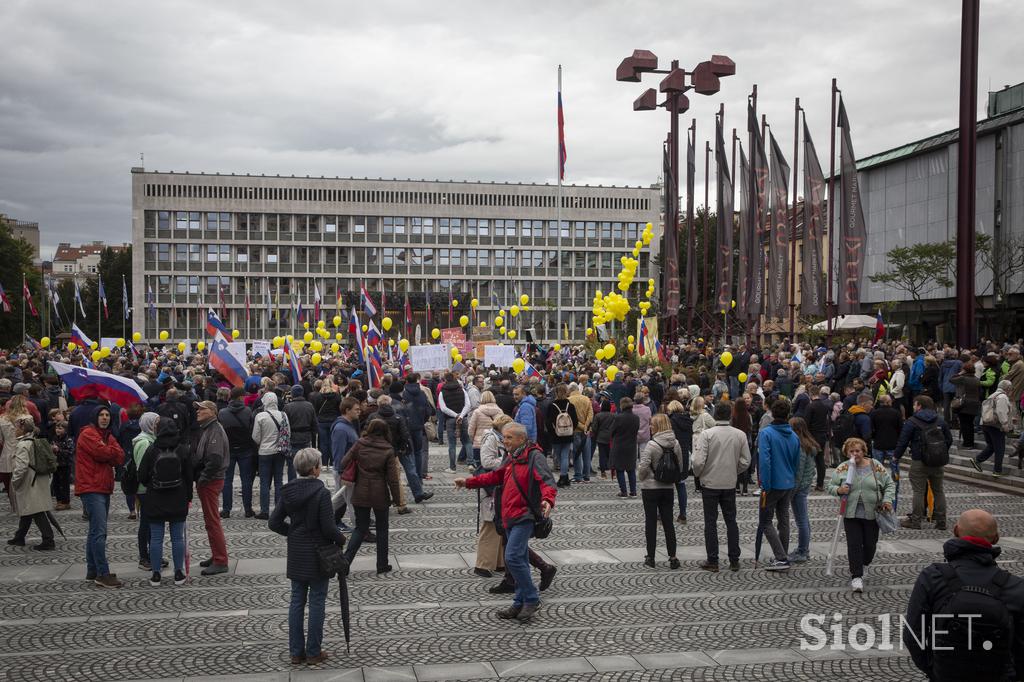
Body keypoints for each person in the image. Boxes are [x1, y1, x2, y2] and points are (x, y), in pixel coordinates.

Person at [904, 509, 1024, 681]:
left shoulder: (932, 577)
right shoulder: (1015, 586)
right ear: (996, 538)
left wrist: (934, 670)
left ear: (956, 531)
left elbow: (913, 635)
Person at [454, 422, 556, 623]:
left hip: (524, 515)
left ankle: (532, 598)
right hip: (508, 514)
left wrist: (547, 500)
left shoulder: (534, 456)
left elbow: (547, 482)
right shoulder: (512, 457)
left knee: (512, 557)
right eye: (504, 437)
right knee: (518, 559)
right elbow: (495, 476)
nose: (505, 441)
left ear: (521, 439)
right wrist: (468, 482)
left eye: (509, 438)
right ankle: (519, 602)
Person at [269, 447, 347, 666]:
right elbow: (329, 527)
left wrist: (292, 533)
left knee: (296, 601)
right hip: (318, 552)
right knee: (317, 601)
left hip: (297, 552)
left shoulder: (287, 491)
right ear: (314, 469)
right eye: (319, 464)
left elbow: (274, 522)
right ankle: (313, 651)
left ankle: (296, 652)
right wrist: (342, 540)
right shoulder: (320, 492)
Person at [829, 437, 894, 592]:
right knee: (854, 545)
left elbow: (889, 484)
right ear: (846, 453)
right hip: (851, 513)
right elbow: (830, 485)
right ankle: (856, 576)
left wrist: (888, 500)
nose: (855, 454)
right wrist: (838, 490)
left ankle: (864, 563)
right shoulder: (843, 468)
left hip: (872, 513)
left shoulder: (875, 465)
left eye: (858, 450)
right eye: (851, 451)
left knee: (870, 544)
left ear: (863, 451)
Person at [691, 402, 750, 572]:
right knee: (731, 521)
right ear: (730, 415)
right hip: (729, 482)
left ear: (716, 415)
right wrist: (734, 470)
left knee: (710, 522)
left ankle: (713, 560)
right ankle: (734, 559)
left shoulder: (707, 434)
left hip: (710, 482)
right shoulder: (740, 435)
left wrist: (699, 473)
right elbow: (745, 460)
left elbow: (698, 461)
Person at [340, 419, 402, 575]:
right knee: (382, 529)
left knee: (360, 529)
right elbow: (393, 479)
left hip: (360, 492)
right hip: (380, 494)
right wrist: (397, 499)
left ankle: (346, 561)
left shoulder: (360, 444)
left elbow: (343, 462)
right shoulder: (388, 449)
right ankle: (382, 564)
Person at [138, 418, 194, 587]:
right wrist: (188, 497)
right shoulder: (183, 449)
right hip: (178, 498)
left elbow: (142, 476)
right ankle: (178, 573)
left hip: (156, 498)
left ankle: (156, 574)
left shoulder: (152, 450)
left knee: (156, 538)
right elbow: (189, 476)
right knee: (177, 538)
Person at [76, 406, 126, 587]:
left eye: (107, 415)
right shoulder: (88, 434)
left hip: (103, 486)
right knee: (99, 532)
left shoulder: (106, 435)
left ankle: (92, 570)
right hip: (91, 486)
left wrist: (108, 450)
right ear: (94, 416)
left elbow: (119, 457)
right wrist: (108, 451)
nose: (105, 418)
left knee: (94, 531)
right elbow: (102, 453)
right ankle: (103, 573)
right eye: (101, 415)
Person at [756, 397, 801, 571]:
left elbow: (765, 461)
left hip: (773, 483)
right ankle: (782, 554)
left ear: (772, 413)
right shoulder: (794, 435)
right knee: (783, 520)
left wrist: (764, 485)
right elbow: (797, 461)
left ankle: (781, 557)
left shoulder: (766, 433)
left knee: (765, 521)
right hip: (788, 482)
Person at [895, 395, 952, 530]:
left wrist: (896, 456)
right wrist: (938, 453)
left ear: (919, 405)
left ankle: (915, 521)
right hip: (937, 462)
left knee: (918, 491)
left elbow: (903, 441)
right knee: (938, 491)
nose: (913, 407)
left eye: (915, 405)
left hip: (919, 461)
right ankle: (941, 521)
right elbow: (948, 440)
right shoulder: (940, 420)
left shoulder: (912, 421)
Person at [637, 414, 683, 569]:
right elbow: (680, 465)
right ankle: (673, 557)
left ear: (658, 426)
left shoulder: (652, 444)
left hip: (650, 487)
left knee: (651, 522)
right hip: (667, 487)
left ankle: (651, 557)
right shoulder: (675, 443)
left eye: (652, 424)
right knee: (668, 522)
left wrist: (642, 477)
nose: (650, 427)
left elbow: (644, 466)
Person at [191, 400, 230, 576]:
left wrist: (203, 479)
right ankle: (216, 555)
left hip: (211, 481)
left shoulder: (215, 430)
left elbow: (215, 459)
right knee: (210, 521)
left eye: (202, 409)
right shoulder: (208, 428)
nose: (198, 411)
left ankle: (221, 560)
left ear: (212, 412)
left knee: (213, 521)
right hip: (208, 479)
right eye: (197, 409)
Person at [6, 414, 55, 550]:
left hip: (29, 482)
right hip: (38, 480)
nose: (14, 430)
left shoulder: (22, 445)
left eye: (16, 428)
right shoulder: (33, 440)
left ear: (22, 429)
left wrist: (15, 482)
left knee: (36, 510)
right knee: (29, 509)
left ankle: (48, 539)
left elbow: (21, 467)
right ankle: (19, 536)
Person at [474, 414, 513, 577]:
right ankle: (482, 564)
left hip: (499, 486)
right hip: (491, 487)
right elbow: (486, 462)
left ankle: (498, 562)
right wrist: (508, 462)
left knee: (499, 524)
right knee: (489, 525)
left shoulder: (499, 438)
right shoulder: (491, 438)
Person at [131, 413, 165, 571]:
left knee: (150, 522)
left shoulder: (150, 439)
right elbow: (142, 469)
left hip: (147, 488)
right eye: (156, 422)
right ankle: (144, 557)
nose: (158, 425)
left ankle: (153, 554)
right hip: (145, 489)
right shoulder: (144, 442)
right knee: (146, 523)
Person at [251, 392, 290, 520]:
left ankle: (264, 511)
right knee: (279, 481)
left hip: (264, 452)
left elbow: (255, 436)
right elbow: (287, 433)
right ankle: (278, 510)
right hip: (280, 452)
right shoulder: (283, 415)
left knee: (264, 482)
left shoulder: (260, 416)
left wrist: (262, 443)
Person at [219, 387, 256, 518]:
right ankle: (248, 508)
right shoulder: (248, 411)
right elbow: (252, 430)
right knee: (246, 480)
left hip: (229, 449)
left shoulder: (222, 413)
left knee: (227, 480)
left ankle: (226, 509)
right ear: (240, 397)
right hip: (245, 449)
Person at [787, 417, 820, 564]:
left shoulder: (800, 447)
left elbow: (799, 472)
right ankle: (803, 549)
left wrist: (792, 491)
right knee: (803, 519)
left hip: (799, 487)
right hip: (804, 486)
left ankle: (803, 551)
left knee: (801, 521)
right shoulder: (808, 444)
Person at [974, 379, 1014, 476]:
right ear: (1007, 388)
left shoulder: (992, 395)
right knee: (1000, 448)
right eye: (1011, 388)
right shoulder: (1003, 397)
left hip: (986, 423)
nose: (1011, 390)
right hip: (995, 426)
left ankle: (977, 460)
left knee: (991, 446)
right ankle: (997, 470)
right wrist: (1005, 426)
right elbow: (1001, 412)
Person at [545, 384, 579, 488]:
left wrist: (553, 432)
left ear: (555, 392)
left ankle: (563, 477)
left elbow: (548, 422)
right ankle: (565, 477)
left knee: (559, 456)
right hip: (568, 435)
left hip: (556, 435)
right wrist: (570, 430)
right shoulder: (570, 405)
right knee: (565, 456)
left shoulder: (552, 406)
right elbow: (575, 421)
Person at [438, 373, 473, 471]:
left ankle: (452, 467)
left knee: (452, 444)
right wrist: (461, 415)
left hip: (450, 419)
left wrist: (455, 415)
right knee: (467, 441)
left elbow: (443, 408)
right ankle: (471, 463)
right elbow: (468, 405)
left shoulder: (442, 392)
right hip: (463, 418)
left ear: (445, 380)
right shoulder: (461, 389)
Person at [666, 399, 693, 523]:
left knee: (668, 486)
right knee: (681, 485)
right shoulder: (688, 421)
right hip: (684, 456)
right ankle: (683, 514)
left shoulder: (670, 421)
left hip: (672, 455)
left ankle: (665, 513)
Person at [609, 396, 640, 497]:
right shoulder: (636, 418)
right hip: (631, 446)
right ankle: (633, 491)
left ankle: (623, 491)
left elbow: (612, 431)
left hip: (619, 446)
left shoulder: (618, 418)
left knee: (620, 469)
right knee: (631, 469)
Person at [283, 385, 317, 476]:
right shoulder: (309, 406)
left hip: (293, 438)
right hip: (305, 437)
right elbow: (314, 423)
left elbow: (284, 425)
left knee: (292, 463)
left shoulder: (288, 407)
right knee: (306, 461)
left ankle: (292, 482)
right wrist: (312, 435)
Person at [468, 391, 504, 473]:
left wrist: (473, 439)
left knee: (480, 468)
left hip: (478, 443)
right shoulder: (499, 411)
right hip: (494, 443)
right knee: (492, 468)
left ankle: (481, 483)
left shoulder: (477, 412)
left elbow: (471, 429)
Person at [805, 386, 832, 490]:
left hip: (812, 436)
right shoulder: (824, 406)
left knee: (809, 459)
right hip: (822, 435)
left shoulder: (810, 406)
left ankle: (807, 482)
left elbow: (806, 423)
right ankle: (820, 484)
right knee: (820, 460)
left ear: (811, 394)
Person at [950, 362, 981, 449]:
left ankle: (966, 444)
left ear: (965, 370)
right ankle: (970, 443)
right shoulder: (977, 379)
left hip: (964, 403)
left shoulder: (963, 378)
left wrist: (960, 373)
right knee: (970, 424)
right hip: (974, 403)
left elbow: (951, 379)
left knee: (964, 424)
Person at [568, 383, 594, 484]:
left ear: (570, 390)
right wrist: (586, 427)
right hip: (586, 431)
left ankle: (578, 476)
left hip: (576, 431)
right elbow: (591, 415)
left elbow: (571, 418)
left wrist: (582, 427)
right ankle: (586, 476)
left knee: (577, 453)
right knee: (587, 454)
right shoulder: (586, 399)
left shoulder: (569, 400)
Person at [869, 394, 903, 466]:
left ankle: (878, 478)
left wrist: (874, 437)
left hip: (878, 443)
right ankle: (895, 477)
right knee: (894, 467)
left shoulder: (874, 413)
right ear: (888, 402)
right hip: (893, 443)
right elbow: (900, 428)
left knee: (878, 467)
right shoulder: (896, 413)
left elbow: (871, 428)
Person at [590, 399, 615, 479]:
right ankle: (613, 473)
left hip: (601, 437)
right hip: (611, 437)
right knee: (611, 455)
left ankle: (603, 473)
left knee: (602, 455)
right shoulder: (613, 415)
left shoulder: (598, 416)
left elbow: (594, 428)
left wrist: (596, 434)